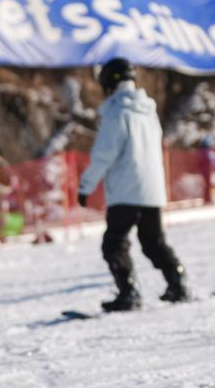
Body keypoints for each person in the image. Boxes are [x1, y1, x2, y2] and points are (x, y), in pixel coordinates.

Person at [76, 58, 190, 311]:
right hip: (152, 190)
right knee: (153, 242)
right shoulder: (148, 111)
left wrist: (85, 186)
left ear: (108, 82)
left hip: (126, 190)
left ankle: (128, 292)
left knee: (114, 243)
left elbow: (104, 154)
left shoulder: (117, 112)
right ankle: (177, 281)